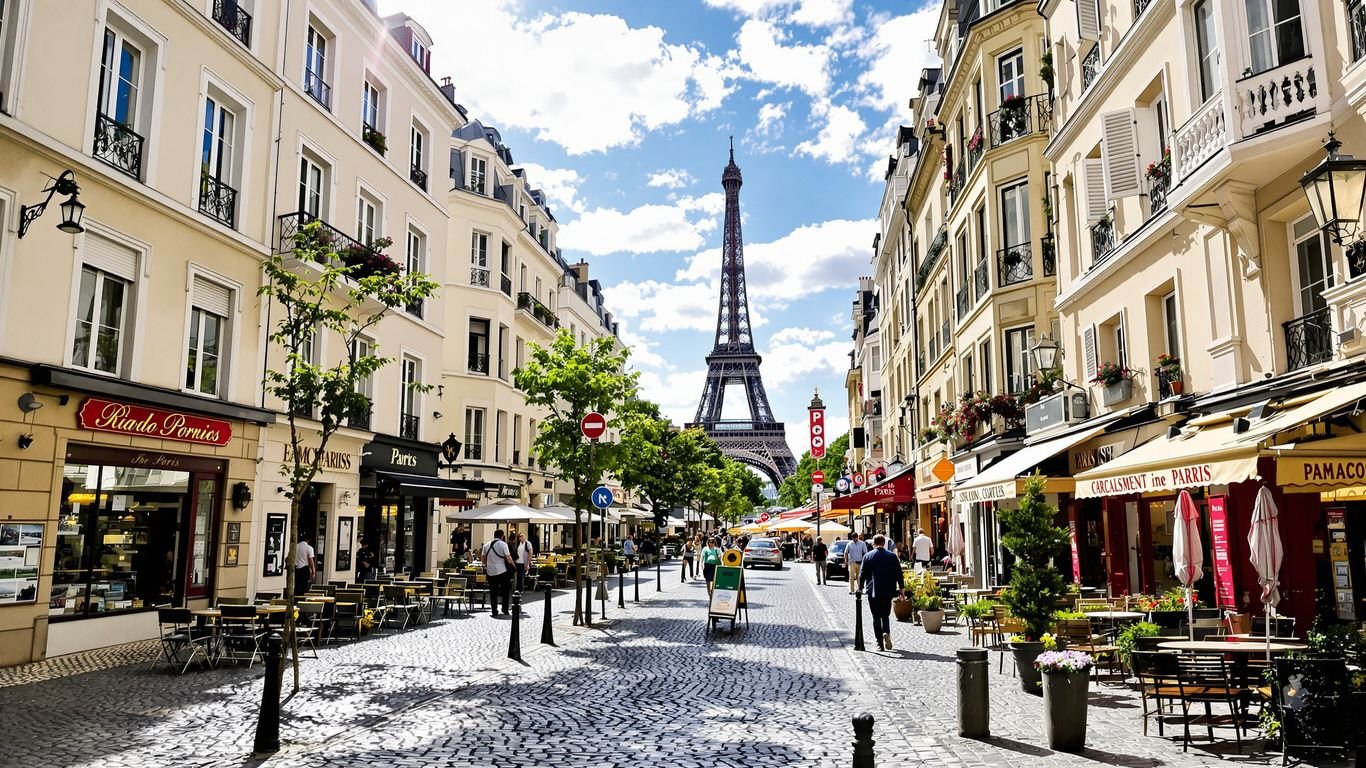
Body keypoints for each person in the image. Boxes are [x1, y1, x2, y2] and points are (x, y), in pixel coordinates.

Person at [860, 534, 905, 651]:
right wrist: (901, 588)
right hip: (888, 590)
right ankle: (886, 632)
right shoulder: (892, 556)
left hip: (873, 591)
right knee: (885, 615)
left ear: (873, 543)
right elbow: (899, 573)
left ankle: (879, 643)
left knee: (875, 617)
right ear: (884, 543)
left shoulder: (868, 556)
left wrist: (860, 588)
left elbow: (862, 574)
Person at [482, 529, 515, 617]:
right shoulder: (503, 544)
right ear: (502, 536)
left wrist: (487, 565)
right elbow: (508, 557)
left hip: (491, 571)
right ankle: (505, 609)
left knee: (493, 592)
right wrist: (513, 565)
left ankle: (494, 610)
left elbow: (483, 558)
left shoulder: (486, 545)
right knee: (505, 591)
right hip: (502, 570)